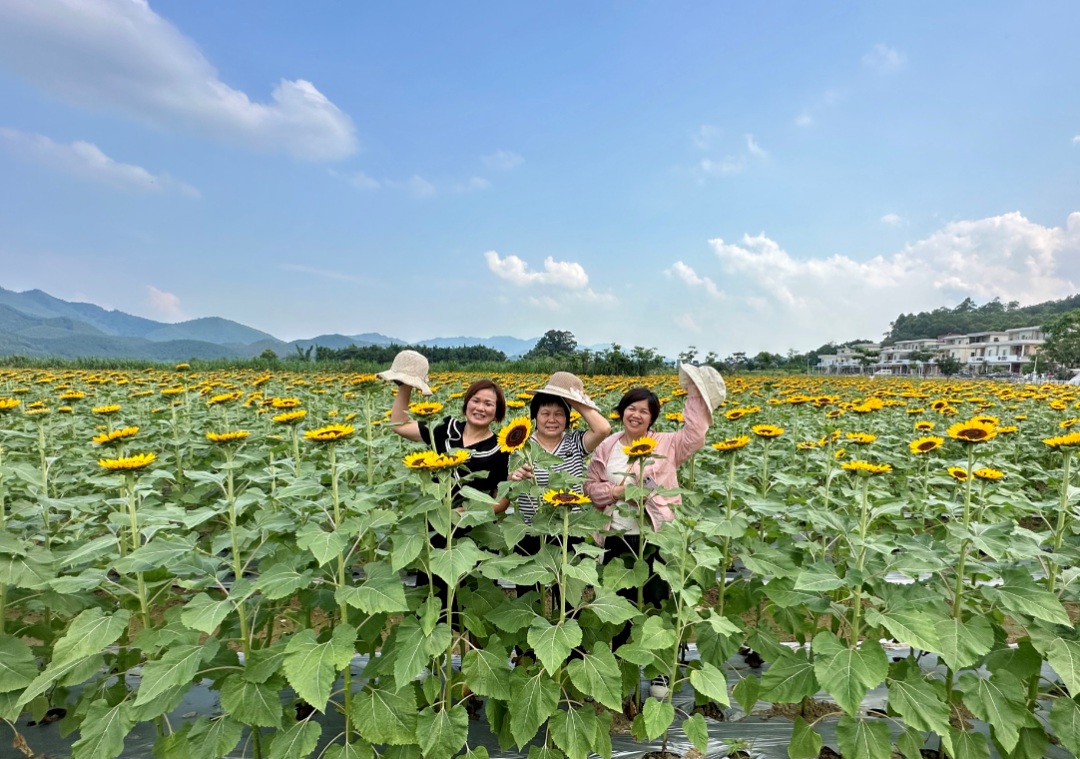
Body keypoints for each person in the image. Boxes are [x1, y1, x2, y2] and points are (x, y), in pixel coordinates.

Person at [584, 363, 724, 697]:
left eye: (643, 411)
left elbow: (695, 435)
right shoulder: (608, 447)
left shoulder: (668, 444)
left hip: (657, 536)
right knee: (620, 606)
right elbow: (591, 487)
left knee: (662, 607)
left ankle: (662, 671)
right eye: (631, 408)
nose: (636, 415)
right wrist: (617, 492)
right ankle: (622, 668)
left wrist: (695, 392)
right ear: (621, 412)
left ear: (652, 418)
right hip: (620, 538)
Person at [507, 372, 611, 608]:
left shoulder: (575, 443)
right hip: (531, 530)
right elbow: (508, 478)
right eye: (545, 413)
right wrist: (515, 475)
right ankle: (527, 645)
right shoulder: (520, 446)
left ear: (568, 418)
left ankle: (565, 638)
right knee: (528, 594)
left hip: (568, 529)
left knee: (568, 596)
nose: (551, 419)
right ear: (535, 417)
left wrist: (575, 400)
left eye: (559, 413)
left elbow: (603, 429)